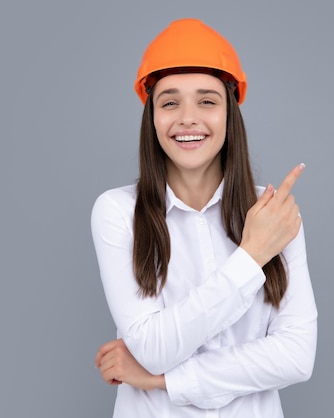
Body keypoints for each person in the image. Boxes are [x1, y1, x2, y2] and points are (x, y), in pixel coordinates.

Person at [91, 18, 317, 417]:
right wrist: (251, 256)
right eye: (170, 101)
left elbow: (296, 356)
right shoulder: (117, 212)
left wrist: (162, 380)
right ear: (152, 117)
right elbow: (153, 349)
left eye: (207, 101)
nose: (187, 118)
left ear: (230, 115)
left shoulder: (273, 214)